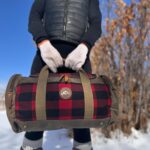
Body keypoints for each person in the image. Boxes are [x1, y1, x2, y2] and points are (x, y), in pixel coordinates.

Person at [21, 0, 102, 149]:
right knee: (37, 111)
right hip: (45, 55)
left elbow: (96, 23)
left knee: (82, 112)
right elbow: (34, 17)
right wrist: (43, 43)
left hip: (79, 56)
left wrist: (84, 47)